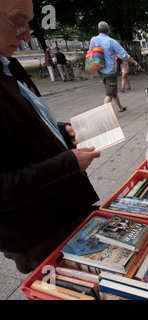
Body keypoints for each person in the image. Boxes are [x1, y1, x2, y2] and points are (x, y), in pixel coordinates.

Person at [0, 0, 101, 273]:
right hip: (34, 229)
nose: (26, 36)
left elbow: (26, 121)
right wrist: (68, 164)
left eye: (28, 24)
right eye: (18, 22)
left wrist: (60, 129)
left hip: (65, 206)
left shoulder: (9, 64)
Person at [91, 21, 140, 112]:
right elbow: (124, 55)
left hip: (100, 70)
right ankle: (104, 114)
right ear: (108, 30)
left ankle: (120, 107)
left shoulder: (93, 40)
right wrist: (134, 62)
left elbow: (91, 53)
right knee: (110, 93)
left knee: (111, 90)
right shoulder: (111, 41)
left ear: (99, 30)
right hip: (109, 71)